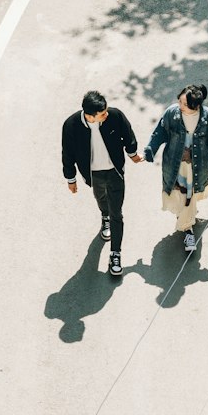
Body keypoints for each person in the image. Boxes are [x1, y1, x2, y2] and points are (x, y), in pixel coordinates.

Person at [61, 90, 141, 277]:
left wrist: (132, 154)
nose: (107, 114)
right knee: (101, 199)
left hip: (114, 172)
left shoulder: (114, 116)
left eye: (106, 111)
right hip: (93, 174)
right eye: (102, 114)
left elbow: (127, 134)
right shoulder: (71, 125)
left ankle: (115, 254)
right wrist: (70, 179)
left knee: (117, 213)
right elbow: (67, 153)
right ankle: (104, 216)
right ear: (90, 116)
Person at [143, 84, 208, 253]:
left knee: (189, 194)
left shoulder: (207, 118)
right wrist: (150, 149)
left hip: (197, 166)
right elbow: (160, 132)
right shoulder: (172, 113)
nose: (180, 106)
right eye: (180, 101)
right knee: (180, 192)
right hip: (175, 164)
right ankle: (187, 219)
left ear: (196, 106)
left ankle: (188, 228)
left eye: (184, 104)